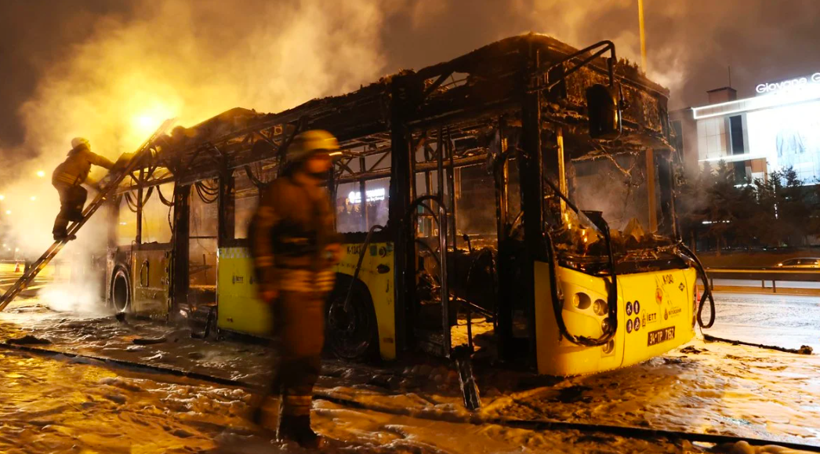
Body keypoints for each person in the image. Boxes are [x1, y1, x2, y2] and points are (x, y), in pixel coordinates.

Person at [249, 129, 342, 448]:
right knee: (303, 359)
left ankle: (270, 412)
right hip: (289, 284)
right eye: (322, 156)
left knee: (300, 356)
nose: (327, 163)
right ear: (305, 158)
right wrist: (267, 279)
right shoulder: (281, 192)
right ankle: (296, 425)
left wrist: (332, 250)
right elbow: (259, 234)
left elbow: (326, 237)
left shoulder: (315, 194)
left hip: (313, 286)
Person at [51, 137, 114, 241]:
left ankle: (59, 232)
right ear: (84, 144)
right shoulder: (85, 153)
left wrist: (97, 187)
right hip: (65, 180)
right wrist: (115, 166)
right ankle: (75, 214)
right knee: (80, 193)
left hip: (59, 179)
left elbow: (83, 178)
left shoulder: (76, 157)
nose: (90, 146)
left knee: (66, 206)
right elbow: (100, 160)